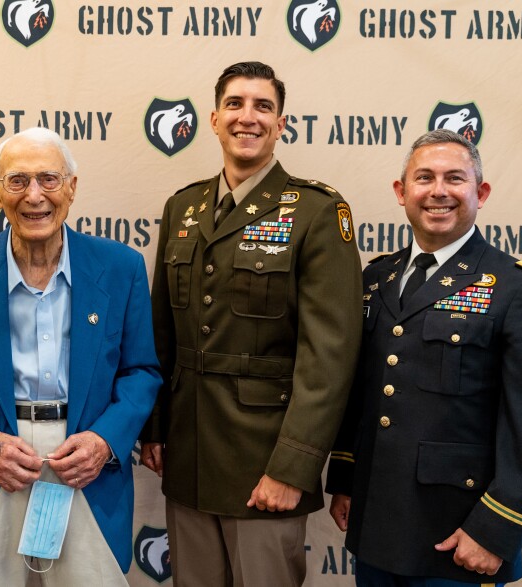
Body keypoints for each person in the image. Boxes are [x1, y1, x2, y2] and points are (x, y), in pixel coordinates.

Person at [140, 61, 363, 586]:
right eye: (236, 104)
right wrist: (154, 428)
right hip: (188, 456)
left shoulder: (316, 212)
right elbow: (161, 332)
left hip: (266, 463)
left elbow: (329, 359)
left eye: (264, 106)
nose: (249, 117)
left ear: (281, 123)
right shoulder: (183, 208)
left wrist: (294, 466)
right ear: (213, 119)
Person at [0, 127, 161, 585]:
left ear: (71, 187)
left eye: (49, 179)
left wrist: (104, 441)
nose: (34, 196)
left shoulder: (121, 267)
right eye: (17, 181)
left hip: (84, 465)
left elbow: (141, 372)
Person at [326, 129, 522, 586]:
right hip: (377, 525)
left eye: (455, 178)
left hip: (459, 534)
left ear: (480, 192)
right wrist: (347, 479)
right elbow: (366, 393)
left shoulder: (518, 287)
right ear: (401, 191)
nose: (438, 191)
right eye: (424, 177)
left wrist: (496, 529)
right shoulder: (378, 278)